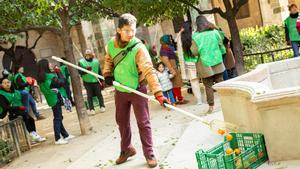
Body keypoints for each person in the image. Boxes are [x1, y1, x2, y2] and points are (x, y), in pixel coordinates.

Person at [103, 13, 169, 168]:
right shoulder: (111, 44)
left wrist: (158, 93)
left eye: (132, 30)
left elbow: (149, 70)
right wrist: (107, 73)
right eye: (127, 30)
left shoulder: (138, 47)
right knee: (121, 121)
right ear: (119, 30)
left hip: (137, 88)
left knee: (143, 122)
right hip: (120, 89)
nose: (131, 33)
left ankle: (149, 153)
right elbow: (109, 59)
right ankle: (126, 150)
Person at [191, 15, 225, 113]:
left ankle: (211, 107)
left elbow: (195, 52)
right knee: (221, 82)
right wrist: (221, 53)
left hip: (204, 64)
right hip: (217, 60)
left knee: (208, 86)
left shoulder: (195, 36)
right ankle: (226, 102)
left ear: (197, 25)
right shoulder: (214, 32)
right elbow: (221, 45)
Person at [37, 59, 74, 145]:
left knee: (59, 116)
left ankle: (65, 135)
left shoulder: (41, 77)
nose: (50, 64)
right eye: (49, 63)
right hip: (55, 98)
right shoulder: (49, 76)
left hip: (51, 99)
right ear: (45, 66)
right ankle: (57, 138)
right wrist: (59, 72)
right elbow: (62, 82)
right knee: (57, 118)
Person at [0, 77, 46, 142]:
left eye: (8, 82)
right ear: (1, 85)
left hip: (16, 111)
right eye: (4, 83)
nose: (7, 84)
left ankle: (34, 136)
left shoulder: (15, 91)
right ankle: (31, 133)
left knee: (31, 119)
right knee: (24, 114)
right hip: (6, 113)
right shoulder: (1, 94)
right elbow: (5, 107)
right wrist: (18, 108)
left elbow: (19, 100)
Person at [160, 35, 187, 104]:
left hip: (173, 67)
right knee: (176, 85)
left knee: (175, 85)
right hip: (172, 68)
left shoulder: (166, 48)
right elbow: (165, 60)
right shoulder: (164, 49)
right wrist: (171, 70)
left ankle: (175, 99)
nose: (171, 40)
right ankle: (179, 99)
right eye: (169, 39)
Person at [180, 21, 203, 105]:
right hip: (198, 60)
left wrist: (180, 32)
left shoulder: (180, 38)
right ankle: (209, 97)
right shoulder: (194, 35)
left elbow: (176, 42)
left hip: (189, 63)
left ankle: (199, 100)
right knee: (205, 78)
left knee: (194, 82)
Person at [78, 50, 105, 115]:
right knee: (89, 96)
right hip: (87, 82)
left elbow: (99, 71)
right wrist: (86, 70)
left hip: (96, 81)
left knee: (99, 94)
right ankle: (91, 109)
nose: (87, 56)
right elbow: (80, 72)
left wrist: (102, 81)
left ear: (92, 55)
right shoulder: (81, 62)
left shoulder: (96, 62)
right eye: (86, 55)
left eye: (89, 55)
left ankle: (102, 106)